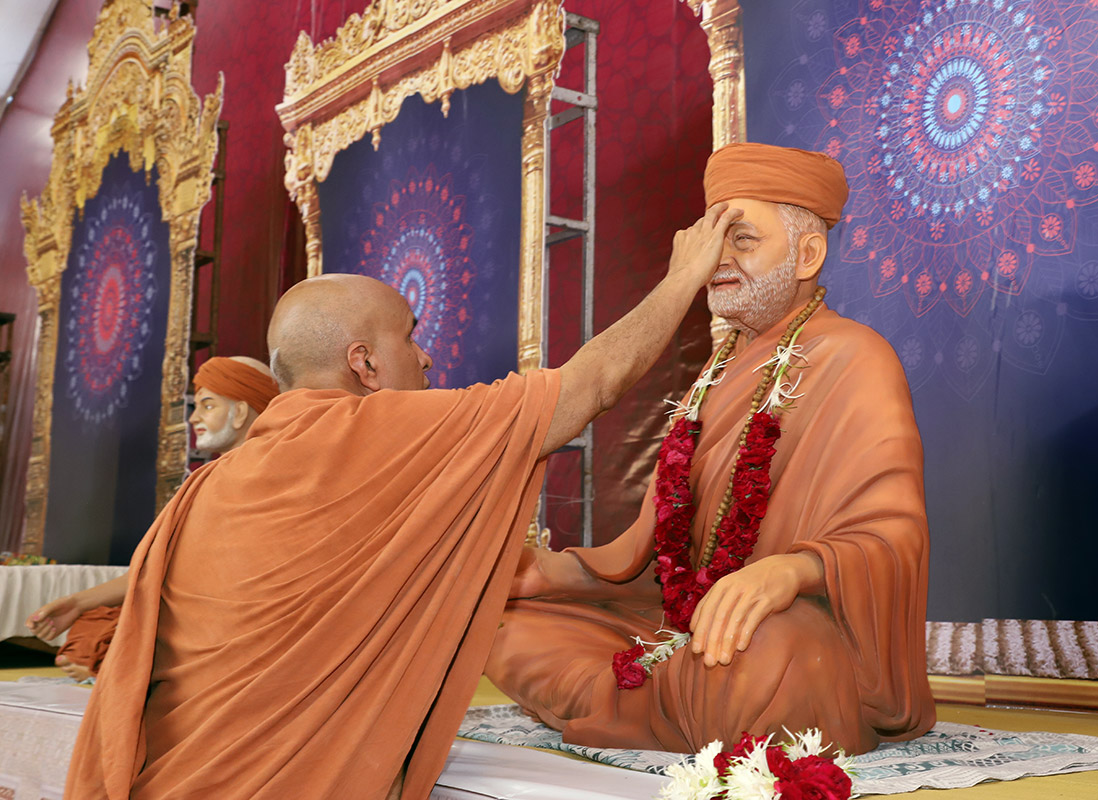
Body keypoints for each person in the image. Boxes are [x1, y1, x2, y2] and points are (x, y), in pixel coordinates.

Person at [61, 203, 742, 800]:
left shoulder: (207, 487)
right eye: (410, 337)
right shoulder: (375, 431)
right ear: (364, 364)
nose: (425, 359)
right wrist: (684, 276)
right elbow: (592, 385)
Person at [485, 142, 936, 756]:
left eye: (742, 241)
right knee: (505, 624)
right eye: (711, 242)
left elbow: (892, 536)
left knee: (765, 650)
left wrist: (790, 571)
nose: (718, 261)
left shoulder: (855, 356)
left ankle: (660, 700)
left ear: (807, 255)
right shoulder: (713, 375)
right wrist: (548, 572)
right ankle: (673, 699)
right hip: (685, 622)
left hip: (793, 623)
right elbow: (654, 559)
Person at [24, 357, 280, 680]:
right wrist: (76, 603)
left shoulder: (261, 475)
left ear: (241, 412)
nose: (194, 418)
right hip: (197, 612)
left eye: (207, 405)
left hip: (235, 620)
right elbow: (160, 566)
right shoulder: (211, 477)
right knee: (93, 630)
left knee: (108, 643)